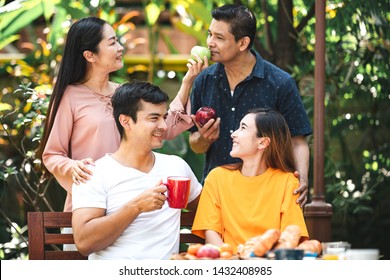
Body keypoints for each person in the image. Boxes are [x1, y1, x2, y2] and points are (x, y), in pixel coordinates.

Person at [38, 17, 207, 213]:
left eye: (117, 41)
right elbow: (51, 155)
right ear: (90, 55)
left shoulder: (124, 93)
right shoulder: (69, 96)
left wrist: (187, 83)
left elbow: (163, 128)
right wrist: (73, 167)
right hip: (90, 206)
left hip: (132, 201)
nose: (120, 48)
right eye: (112, 43)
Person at [188, 4, 312, 206]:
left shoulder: (280, 82)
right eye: (210, 35)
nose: (210, 43)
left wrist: (303, 179)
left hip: (267, 197)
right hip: (218, 196)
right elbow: (195, 143)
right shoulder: (203, 80)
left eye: (219, 38)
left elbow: (297, 140)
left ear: (243, 43)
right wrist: (204, 138)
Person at [72, 81, 202, 260]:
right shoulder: (93, 173)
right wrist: (136, 207)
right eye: (154, 118)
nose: (164, 126)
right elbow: (84, 243)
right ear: (126, 121)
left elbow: (208, 210)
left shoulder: (176, 167)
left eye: (164, 117)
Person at [191, 108, 309, 252]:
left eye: (243, 128)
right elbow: (211, 233)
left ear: (263, 142)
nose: (233, 134)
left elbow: (290, 238)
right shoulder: (216, 178)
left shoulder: (288, 182)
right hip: (229, 267)